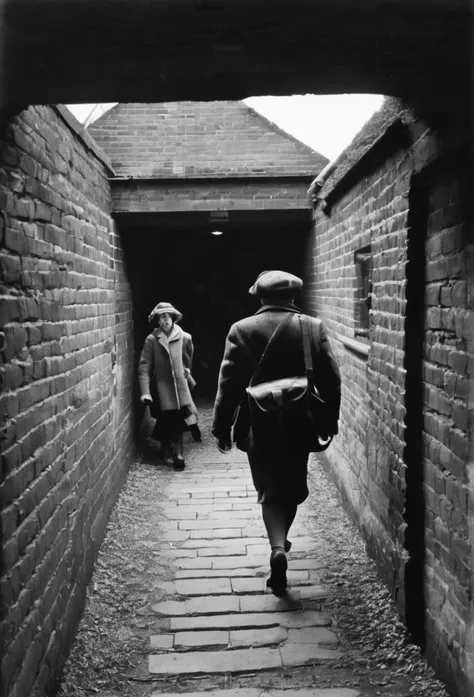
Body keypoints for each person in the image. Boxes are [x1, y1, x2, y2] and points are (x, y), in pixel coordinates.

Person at [212, 270, 341, 595]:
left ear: (260, 296)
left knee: (268, 486)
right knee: (293, 483)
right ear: (293, 296)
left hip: (259, 422)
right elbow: (331, 378)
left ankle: (277, 548)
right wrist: (330, 419)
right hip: (299, 420)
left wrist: (222, 426)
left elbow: (228, 382)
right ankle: (281, 543)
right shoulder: (312, 327)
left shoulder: (241, 329)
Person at [138, 302, 201, 471]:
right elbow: (144, 368)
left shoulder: (185, 337)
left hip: (180, 387)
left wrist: (186, 373)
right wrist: (145, 392)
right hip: (161, 388)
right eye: (160, 317)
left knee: (180, 419)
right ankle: (165, 450)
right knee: (166, 420)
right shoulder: (152, 340)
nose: (164, 320)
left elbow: (188, 361)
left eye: (167, 316)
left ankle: (179, 453)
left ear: (173, 318)